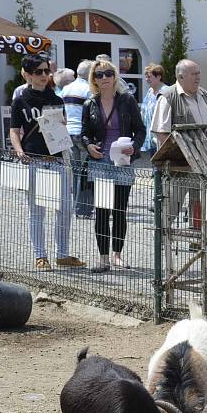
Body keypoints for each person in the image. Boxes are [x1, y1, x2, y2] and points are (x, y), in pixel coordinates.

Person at [9, 54, 86, 271]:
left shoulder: (56, 99)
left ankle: (62, 254)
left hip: (57, 158)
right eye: (38, 72)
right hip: (34, 159)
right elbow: (14, 131)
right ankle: (40, 256)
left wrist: (61, 127)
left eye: (46, 71)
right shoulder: (20, 100)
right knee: (37, 210)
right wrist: (19, 150)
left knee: (64, 208)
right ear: (27, 74)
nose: (44, 75)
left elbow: (60, 130)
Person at [81, 58, 146, 273]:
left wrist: (135, 147)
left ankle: (117, 255)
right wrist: (89, 146)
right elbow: (84, 134)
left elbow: (140, 130)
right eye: (99, 74)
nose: (105, 77)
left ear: (115, 76)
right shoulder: (89, 104)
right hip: (100, 162)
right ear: (94, 79)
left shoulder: (126, 101)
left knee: (119, 210)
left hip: (122, 161)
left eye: (108, 73)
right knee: (101, 211)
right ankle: (103, 258)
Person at [151, 59, 207, 219]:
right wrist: (179, 158)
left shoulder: (205, 95)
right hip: (178, 168)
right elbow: (161, 133)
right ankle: (164, 243)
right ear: (180, 77)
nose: (198, 77)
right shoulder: (168, 97)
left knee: (200, 213)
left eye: (199, 73)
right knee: (169, 212)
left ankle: (196, 245)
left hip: (203, 166)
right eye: (194, 74)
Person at [61, 58, 94, 218]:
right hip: (83, 134)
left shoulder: (66, 89)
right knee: (87, 172)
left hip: (67, 133)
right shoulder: (89, 89)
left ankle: (75, 207)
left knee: (74, 171)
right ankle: (84, 208)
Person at [141, 63, 166, 157]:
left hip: (161, 137)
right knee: (155, 165)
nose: (147, 79)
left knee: (161, 167)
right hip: (151, 137)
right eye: (146, 77)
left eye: (149, 77)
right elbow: (144, 110)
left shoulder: (165, 92)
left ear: (159, 76)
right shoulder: (150, 91)